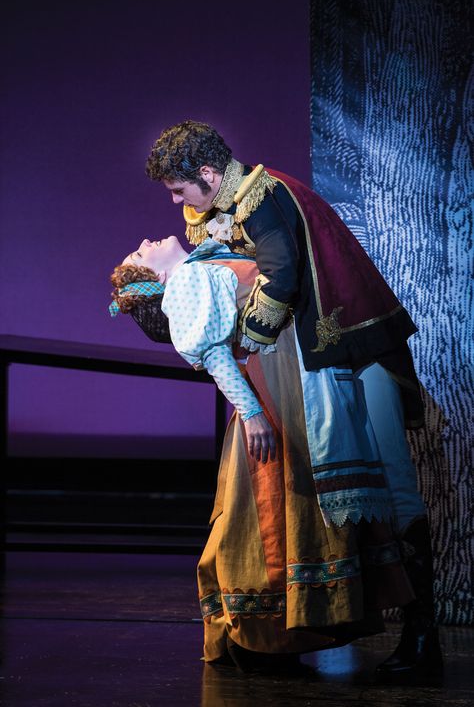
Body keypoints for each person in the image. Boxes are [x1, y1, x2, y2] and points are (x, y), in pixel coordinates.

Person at [138, 120, 443, 683]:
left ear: (208, 174)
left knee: (391, 489)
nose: (177, 203)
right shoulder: (225, 209)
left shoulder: (263, 194)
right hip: (317, 360)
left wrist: (239, 351)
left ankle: (423, 633)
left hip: (352, 346)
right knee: (357, 489)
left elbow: (281, 279)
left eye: (180, 189)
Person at [109, 234, 416, 675]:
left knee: (294, 499)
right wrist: (252, 413)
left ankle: (291, 622)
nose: (143, 240)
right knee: (278, 502)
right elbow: (215, 355)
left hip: (291, 377)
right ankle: (266, 627)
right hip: (276, 390)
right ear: (159, 277)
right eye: (140, 253)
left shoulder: (202, 264)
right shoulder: (185, 281)